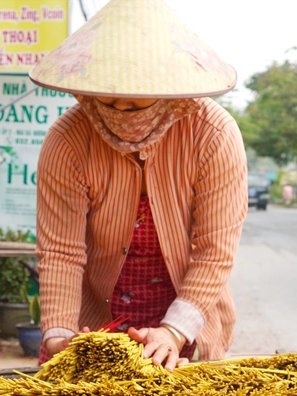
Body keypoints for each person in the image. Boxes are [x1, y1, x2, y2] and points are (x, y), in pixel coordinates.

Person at [29, 0, 248, 371]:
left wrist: (173, 332)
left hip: (189, 325)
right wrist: (59, 335)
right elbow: (61, 252)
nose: (119, 110)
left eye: (134, 104)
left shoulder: (214, 136)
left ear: (168, 87)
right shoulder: (67, 141)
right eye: (108, 99)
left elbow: (213, 253)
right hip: (96, 321)